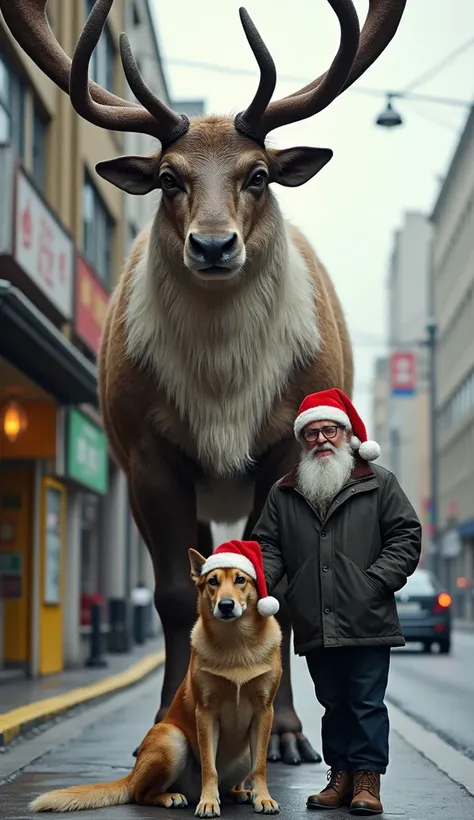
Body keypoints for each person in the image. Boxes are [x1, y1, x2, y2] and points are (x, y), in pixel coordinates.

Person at [251, 388, 422, 815]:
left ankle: (367, 781)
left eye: (329, 429)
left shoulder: (378, 483)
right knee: (332, 702)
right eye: (311, 433)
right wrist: (260, 583)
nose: (321, 439)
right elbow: (267, 545)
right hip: (312, 619)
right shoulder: (285, 491)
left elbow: (406, 535)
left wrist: (374, 582)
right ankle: (340, 776)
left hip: (367, 616)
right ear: (302, 440)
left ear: (346, 434)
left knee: (365, 701)